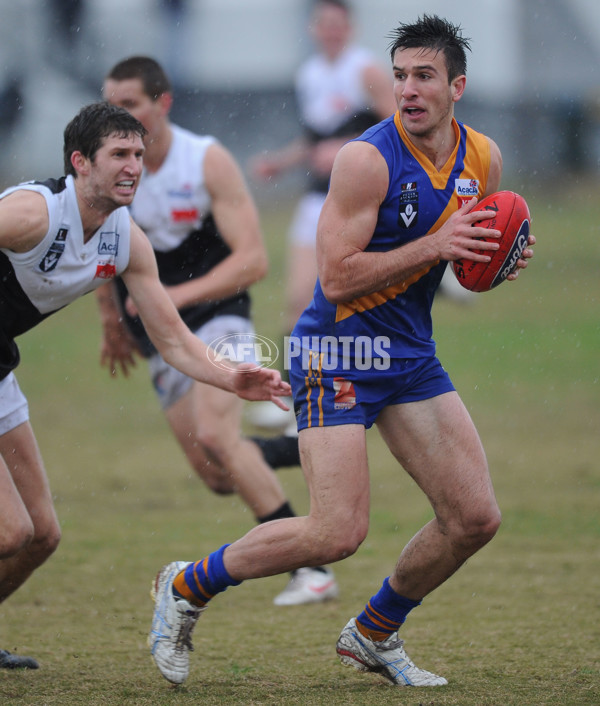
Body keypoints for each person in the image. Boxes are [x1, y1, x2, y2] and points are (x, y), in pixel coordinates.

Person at [147, 14, 535, 688]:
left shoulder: (484, 159)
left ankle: (373, 632)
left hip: (410, 353)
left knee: (474, 517)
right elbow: (335, 275)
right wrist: (439, 246)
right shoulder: (366, 158)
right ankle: (186, 585)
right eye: (400, 76)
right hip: (336, 353)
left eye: (424, 76)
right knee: (335, 532)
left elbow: (467, 252)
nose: (408, 89)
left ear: (457, 87)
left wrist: (498, 259)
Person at [0, 101, 290, 669]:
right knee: (11, 531)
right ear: (80, 163)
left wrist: (235, 379)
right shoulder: (33, 214)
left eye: (139, 154)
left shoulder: (125, 239)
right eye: (119, 155)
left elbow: (176, 341)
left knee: (41, 537)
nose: (134, 166)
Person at [98, 56, 338, 607]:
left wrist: (171, 299)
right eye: (111, 102)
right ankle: (296, 444)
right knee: (217, 470)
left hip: (219, 317)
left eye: (129, 103)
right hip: (159, 338)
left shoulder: (204, 160)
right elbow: (99, 249)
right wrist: (111, 322)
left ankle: (312, 570)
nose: (118, 114)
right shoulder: (109, 168)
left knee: (216, 435)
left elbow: (253, 261)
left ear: (162, 103)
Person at [249, 0, 396, 429]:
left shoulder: (366, 71)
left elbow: (399, 129)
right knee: (296, 302)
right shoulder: (310, 74)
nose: (331, 31)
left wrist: (348, 146)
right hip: (316, 200)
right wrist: (282, 161)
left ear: (350, 27)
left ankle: (345, 396)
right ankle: (296, 400)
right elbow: (315, 141)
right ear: (314, 28)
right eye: (324, 24)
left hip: (355, 203)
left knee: (341, 307)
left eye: (338, 24)